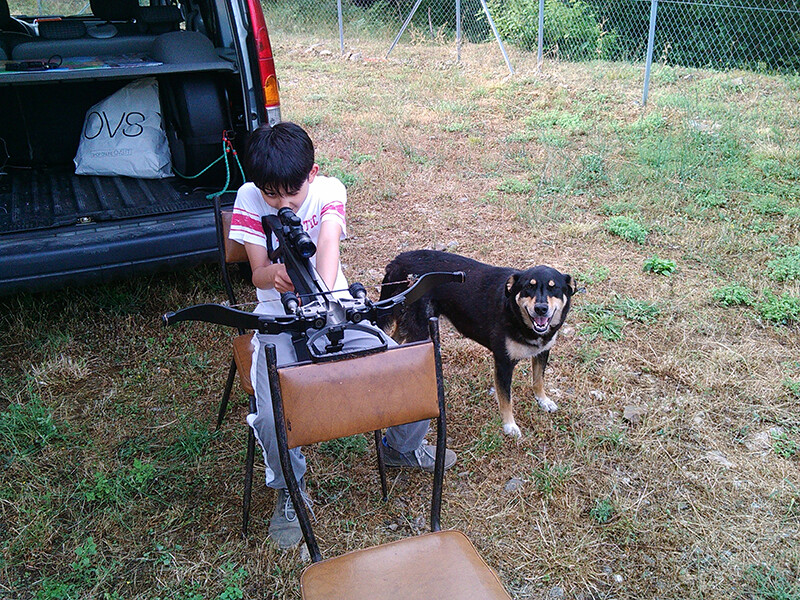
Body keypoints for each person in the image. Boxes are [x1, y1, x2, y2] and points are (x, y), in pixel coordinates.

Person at [229, 122, 456, 549]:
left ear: (312, 174)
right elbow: (256, 271)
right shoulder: (247, 197)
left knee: (412, 372)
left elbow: (329, 244)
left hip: (335, 307)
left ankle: (400, 447)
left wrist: (320, 298)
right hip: (277, 317)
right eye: (271, 195)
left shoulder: (330, 189)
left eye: (292, 193)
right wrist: (274, 275)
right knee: (271, 413)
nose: (282, 203)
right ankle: (290, 488)